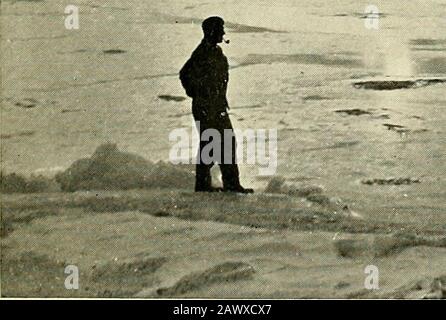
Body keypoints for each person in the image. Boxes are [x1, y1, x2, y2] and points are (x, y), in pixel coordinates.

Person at [179, 16, 253, 193]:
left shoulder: (215, 52)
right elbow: (185, 74)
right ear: (212, 31)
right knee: (212, 145)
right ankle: (208, 185)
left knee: (225, 143)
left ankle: (228, 184)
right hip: (206, 108)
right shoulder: (202, 54)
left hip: (216, 107)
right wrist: (199, 93)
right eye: (220, 29)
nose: (223, 33)